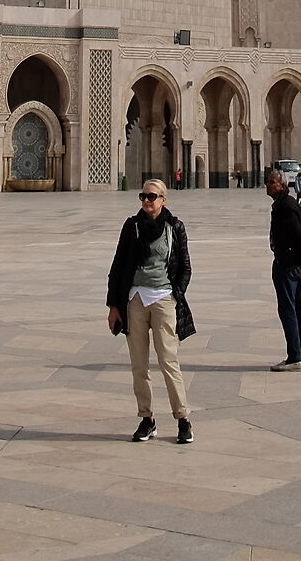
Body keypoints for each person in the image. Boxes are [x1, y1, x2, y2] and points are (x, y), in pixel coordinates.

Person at [104, 177, 193, 444]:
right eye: (143, 196)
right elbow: (118, 266)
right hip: (135, 301)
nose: (146, 200)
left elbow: (186, 267)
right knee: (139, 366)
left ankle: (183, 418)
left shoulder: (174, 227)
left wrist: (175, 295)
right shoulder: (131, 227)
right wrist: (113, 306)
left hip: (164, 299)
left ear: (163, 200)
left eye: (151, 196)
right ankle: (147, 419)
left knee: (168, 361)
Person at [265, 165, 301, 372]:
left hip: (288, 266)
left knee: (288, 310)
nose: (267, 186)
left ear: (281, 185)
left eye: (271, 182)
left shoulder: (286, 207)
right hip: (293, 265)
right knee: (298, 311)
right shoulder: (285, 204)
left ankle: (294, 357)